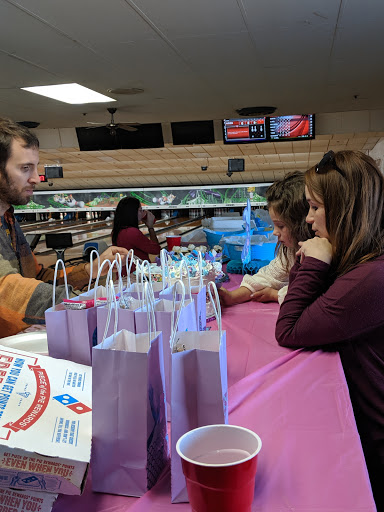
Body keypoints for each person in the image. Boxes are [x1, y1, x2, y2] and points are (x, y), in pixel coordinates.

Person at [275, 150, 384, 509]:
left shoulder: (369, 278)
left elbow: (289, 329)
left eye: (314, 207)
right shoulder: (365, 263)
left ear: (344, 208)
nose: (308, 221)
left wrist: (315, 262)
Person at [0, 117, 128, 338]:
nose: (36, 178)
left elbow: (37, 277)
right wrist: (83, 303)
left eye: (35, 167)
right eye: (25, 168)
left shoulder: (8, 219)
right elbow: (7, 290)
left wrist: (91, 270)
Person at [219, 171, 313, 306]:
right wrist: (232, 297)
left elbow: (309, 293)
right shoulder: (289, 251)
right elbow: (269, 276)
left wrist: (275, 294)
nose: (275, 232)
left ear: (302, 223)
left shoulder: (318, 256)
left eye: (281, 226)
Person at [111, 196, 161, 268]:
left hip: (124, 275)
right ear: (133, 213)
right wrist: (150, 227)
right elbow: (156, 249)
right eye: (141, 210)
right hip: (137, 275)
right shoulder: (132, 232)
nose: (143, 213)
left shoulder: (116, 231)